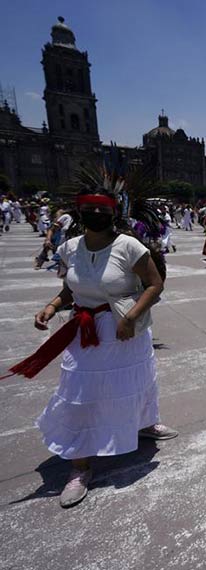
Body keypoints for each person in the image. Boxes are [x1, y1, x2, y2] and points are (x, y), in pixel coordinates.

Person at [5, 182, 177, 508]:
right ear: (79, 211)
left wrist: (130, 318)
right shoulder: (70, 248)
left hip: (125, 332)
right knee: (80, 394)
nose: (96, 214)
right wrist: (53, 306)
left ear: (114, 211)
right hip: (86, 332)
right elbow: (72, 289)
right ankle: (80, 466)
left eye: (103, 209)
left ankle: (143, 425)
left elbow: (155, 284)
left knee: (137, 383)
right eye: (90, 208)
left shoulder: (129, 246)